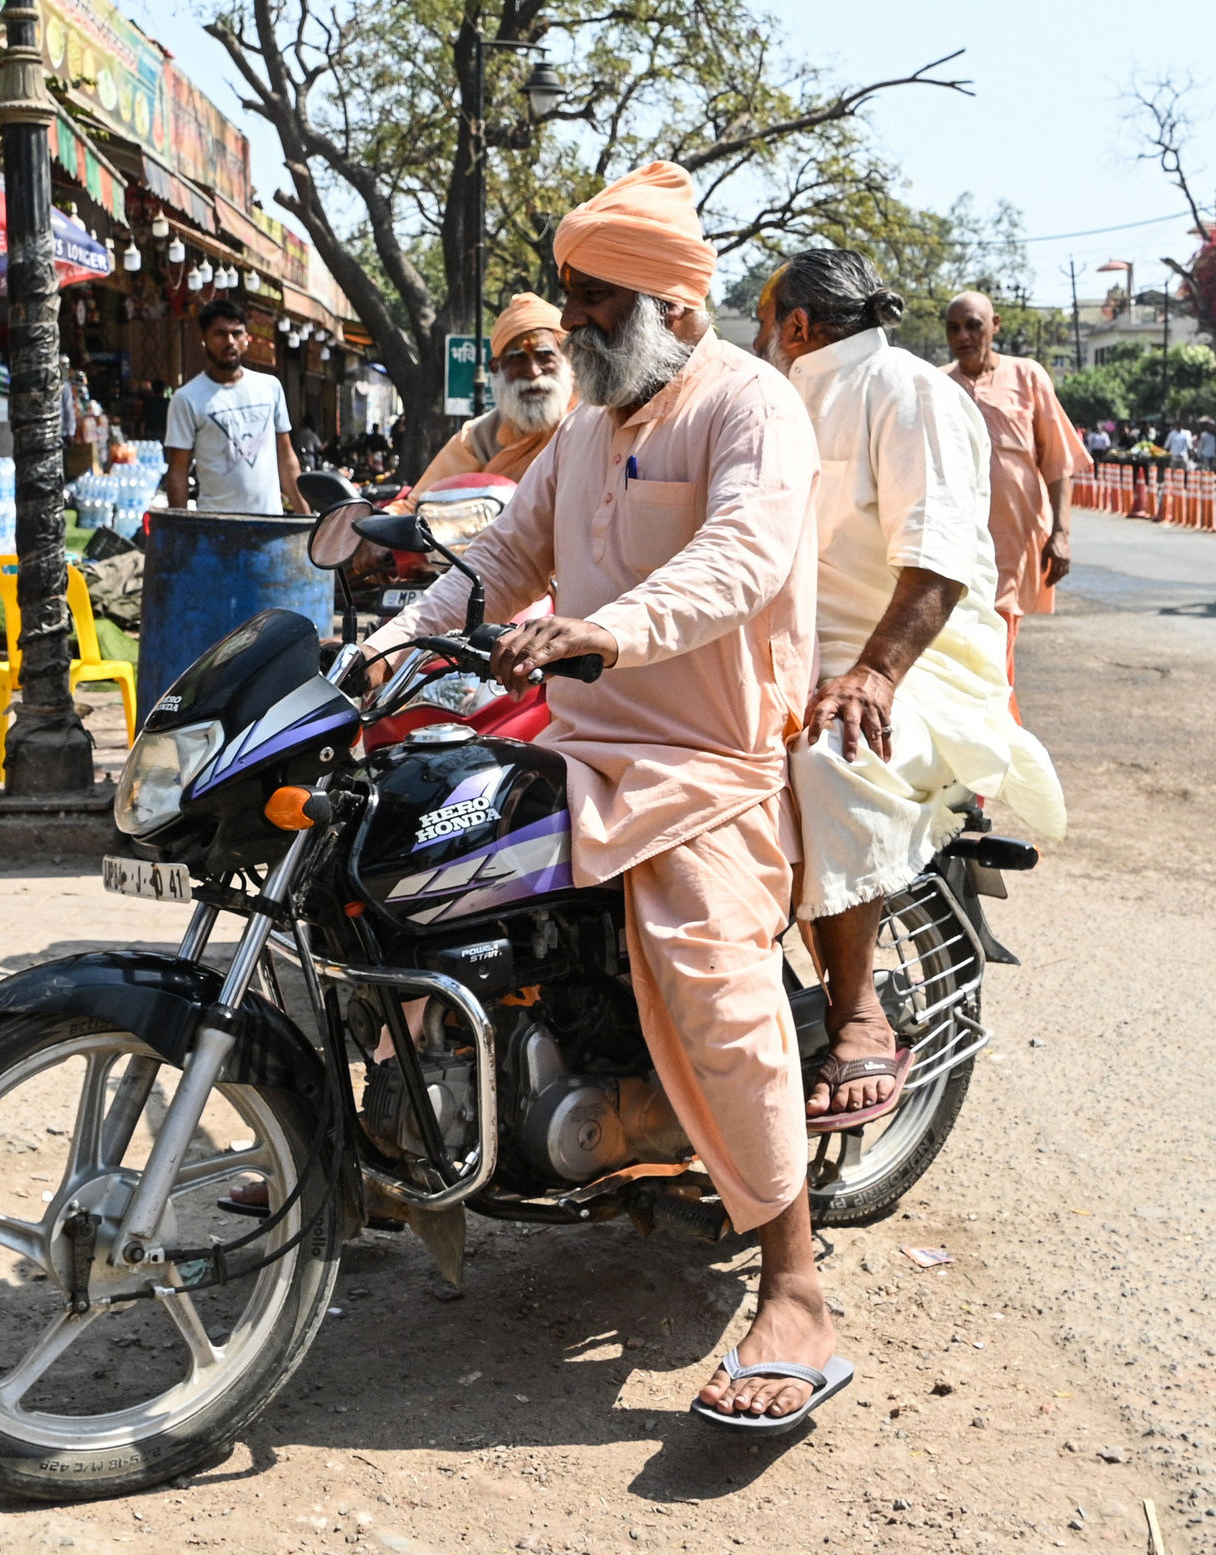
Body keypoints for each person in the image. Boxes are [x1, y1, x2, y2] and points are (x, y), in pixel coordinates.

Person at [361, 162, 840, 1431]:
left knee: (711, 975)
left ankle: (795, 1287)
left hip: (707, 763)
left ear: (676, 307)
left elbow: (741, 557)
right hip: (580, 741)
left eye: (592, 300)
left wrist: (607, 629)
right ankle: (394, 1142)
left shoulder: (751, 406)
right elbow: (500, 557)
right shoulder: (581, 430)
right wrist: (391, 644)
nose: (568, 321)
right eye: (567, 295)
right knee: (400, 863)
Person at [754, 249, 1066, 1124]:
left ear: (797, 326)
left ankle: (858, 1012)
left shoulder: (909, 390)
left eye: (765, 323)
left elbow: (937, 567)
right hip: (797, 659)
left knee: (833, 755)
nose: (757, 339)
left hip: (912, 666)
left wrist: (873, 674)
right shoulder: (777, 399)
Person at [939, 292, 1089, 684]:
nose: (963, 336)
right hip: (954, 540)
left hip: (1013, 539)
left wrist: (1061, 535)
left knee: (998, 640)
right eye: (954, 328)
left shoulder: (1027, 376)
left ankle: (1000, 717)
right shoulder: (937, 385)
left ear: (995, 325)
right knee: (964, 651)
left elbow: (1059, 461)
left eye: (973, 325)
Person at [398, 294, 580, 500]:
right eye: (518, 358)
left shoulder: (589, 424)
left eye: (545, 355)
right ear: (496, 367)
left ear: (567, 360)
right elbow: (420, 501)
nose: (533, 372)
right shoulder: (478, 438)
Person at [164, 299, 305, 513]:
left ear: (246, 339)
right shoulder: (186, 398)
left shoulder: (270, 387)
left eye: (236, 333)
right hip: (217, 526)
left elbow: (286, 457)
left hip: (270, 524)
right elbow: (178, 470)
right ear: (203, 340)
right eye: (220, 334)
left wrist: (306, 516)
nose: (230, 341)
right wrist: (180, 526)